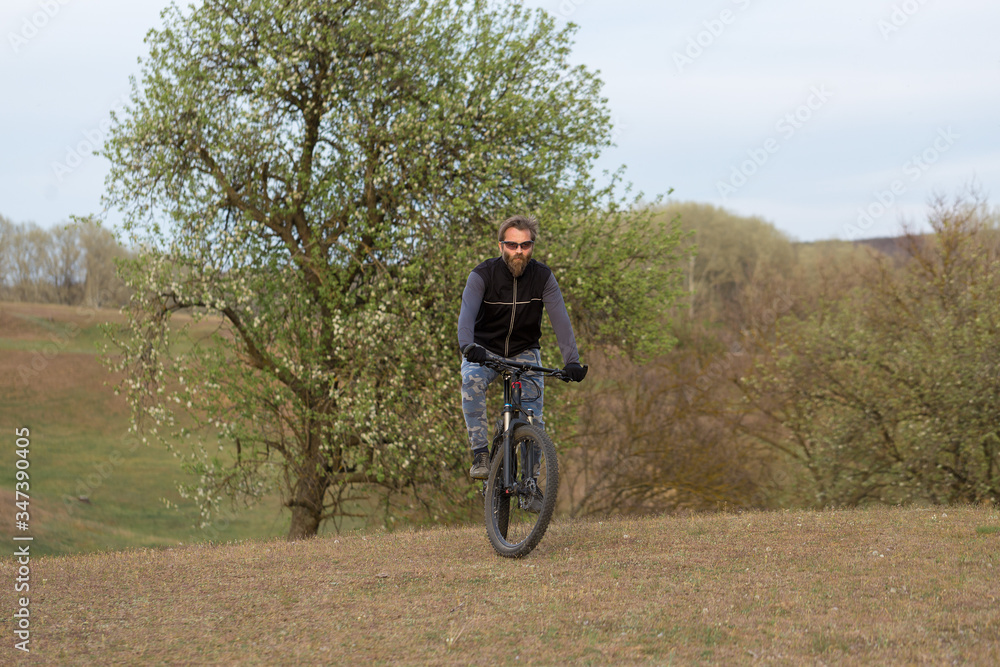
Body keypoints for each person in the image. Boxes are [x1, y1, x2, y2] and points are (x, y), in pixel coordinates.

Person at [457, 214, 587, 480]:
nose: (519, 251)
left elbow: (560, 320)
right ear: (501, 246)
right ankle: (480, 453)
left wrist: (572, 361)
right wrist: (468, 346)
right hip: (483, 350)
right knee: (471, 383)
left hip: (524, 351)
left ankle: (531, 482)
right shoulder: (482, 275)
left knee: (534, 419)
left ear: (532, 247)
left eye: (525, 245)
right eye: (512, 245)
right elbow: (466, 315)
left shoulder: (543, 278)